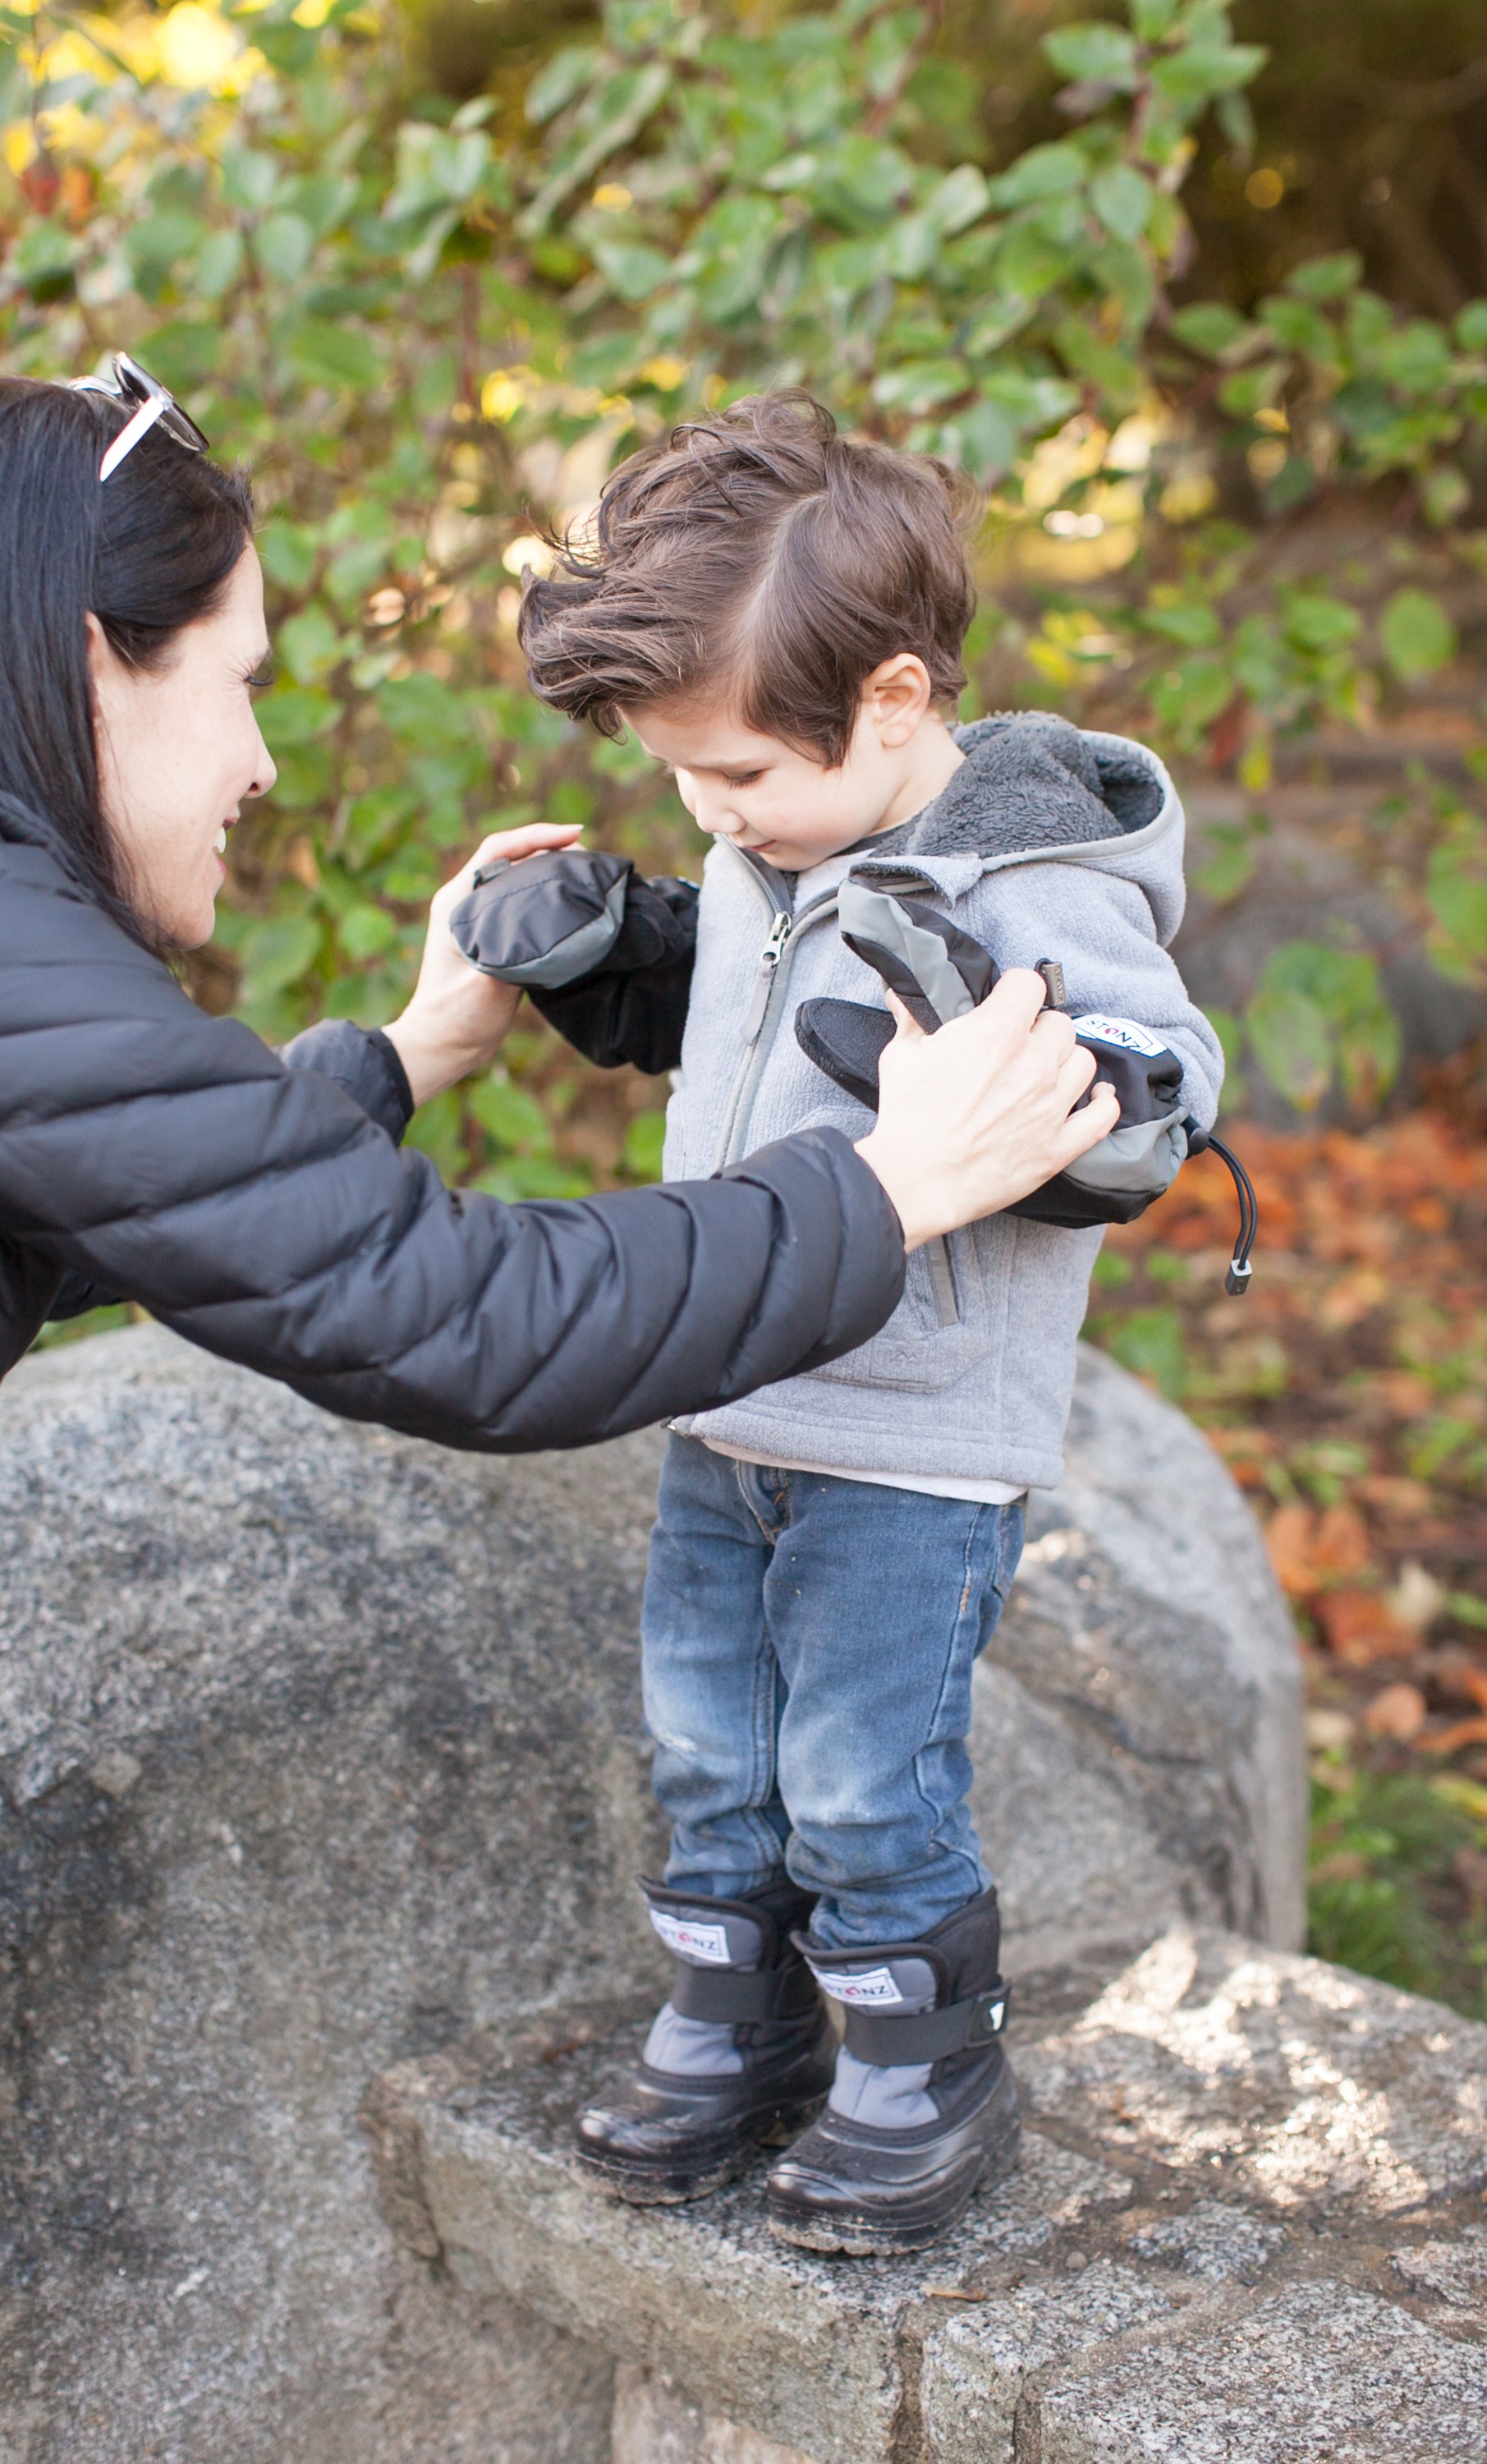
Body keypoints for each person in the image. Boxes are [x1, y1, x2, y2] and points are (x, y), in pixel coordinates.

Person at [0, 368, 1118, 1514]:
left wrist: (415, 1051)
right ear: (93, 665)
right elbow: (448, 1306)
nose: (261, 766)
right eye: (242, 681)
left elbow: (120, 1196)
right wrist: (892, 1186)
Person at [505, 393, 1223, 2255]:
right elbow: (725, 1019)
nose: (711, 814)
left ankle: (924, 2065)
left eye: (735, 776)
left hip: (909, 1443)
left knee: (856, 1770)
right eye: (684, 783)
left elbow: (1157, 1094)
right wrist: (612, 950)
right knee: (704, 1742)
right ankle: (735, 2022)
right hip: (725, 1402)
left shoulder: (1035, 883)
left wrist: (1043, 1051)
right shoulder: (772, 850)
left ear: (893, 701)